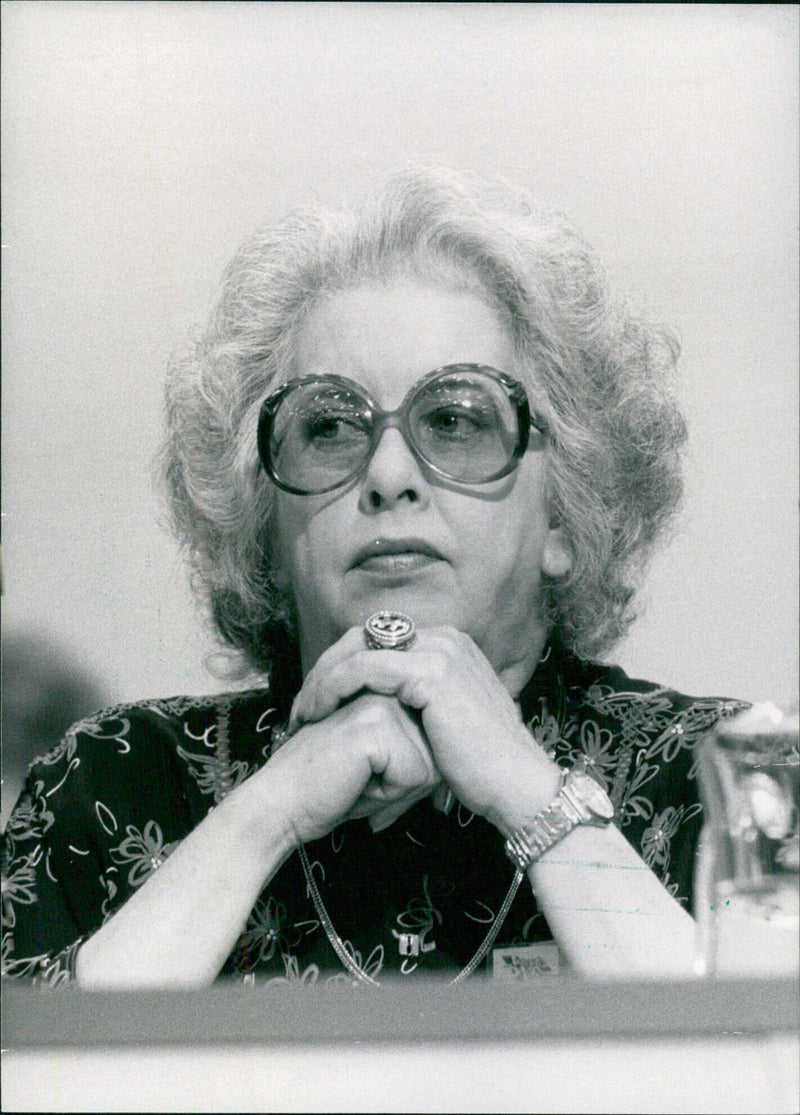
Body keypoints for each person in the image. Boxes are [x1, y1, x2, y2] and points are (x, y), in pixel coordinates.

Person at [2, 169, 748, 988]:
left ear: (567, 517)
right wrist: (265, 811)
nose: (389, 473)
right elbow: (45, 1082)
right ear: (267, 526)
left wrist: (530, 791)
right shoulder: (115, 782)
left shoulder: (722, 779)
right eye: (328, 426)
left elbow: (763, 1072)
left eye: (457, 420)